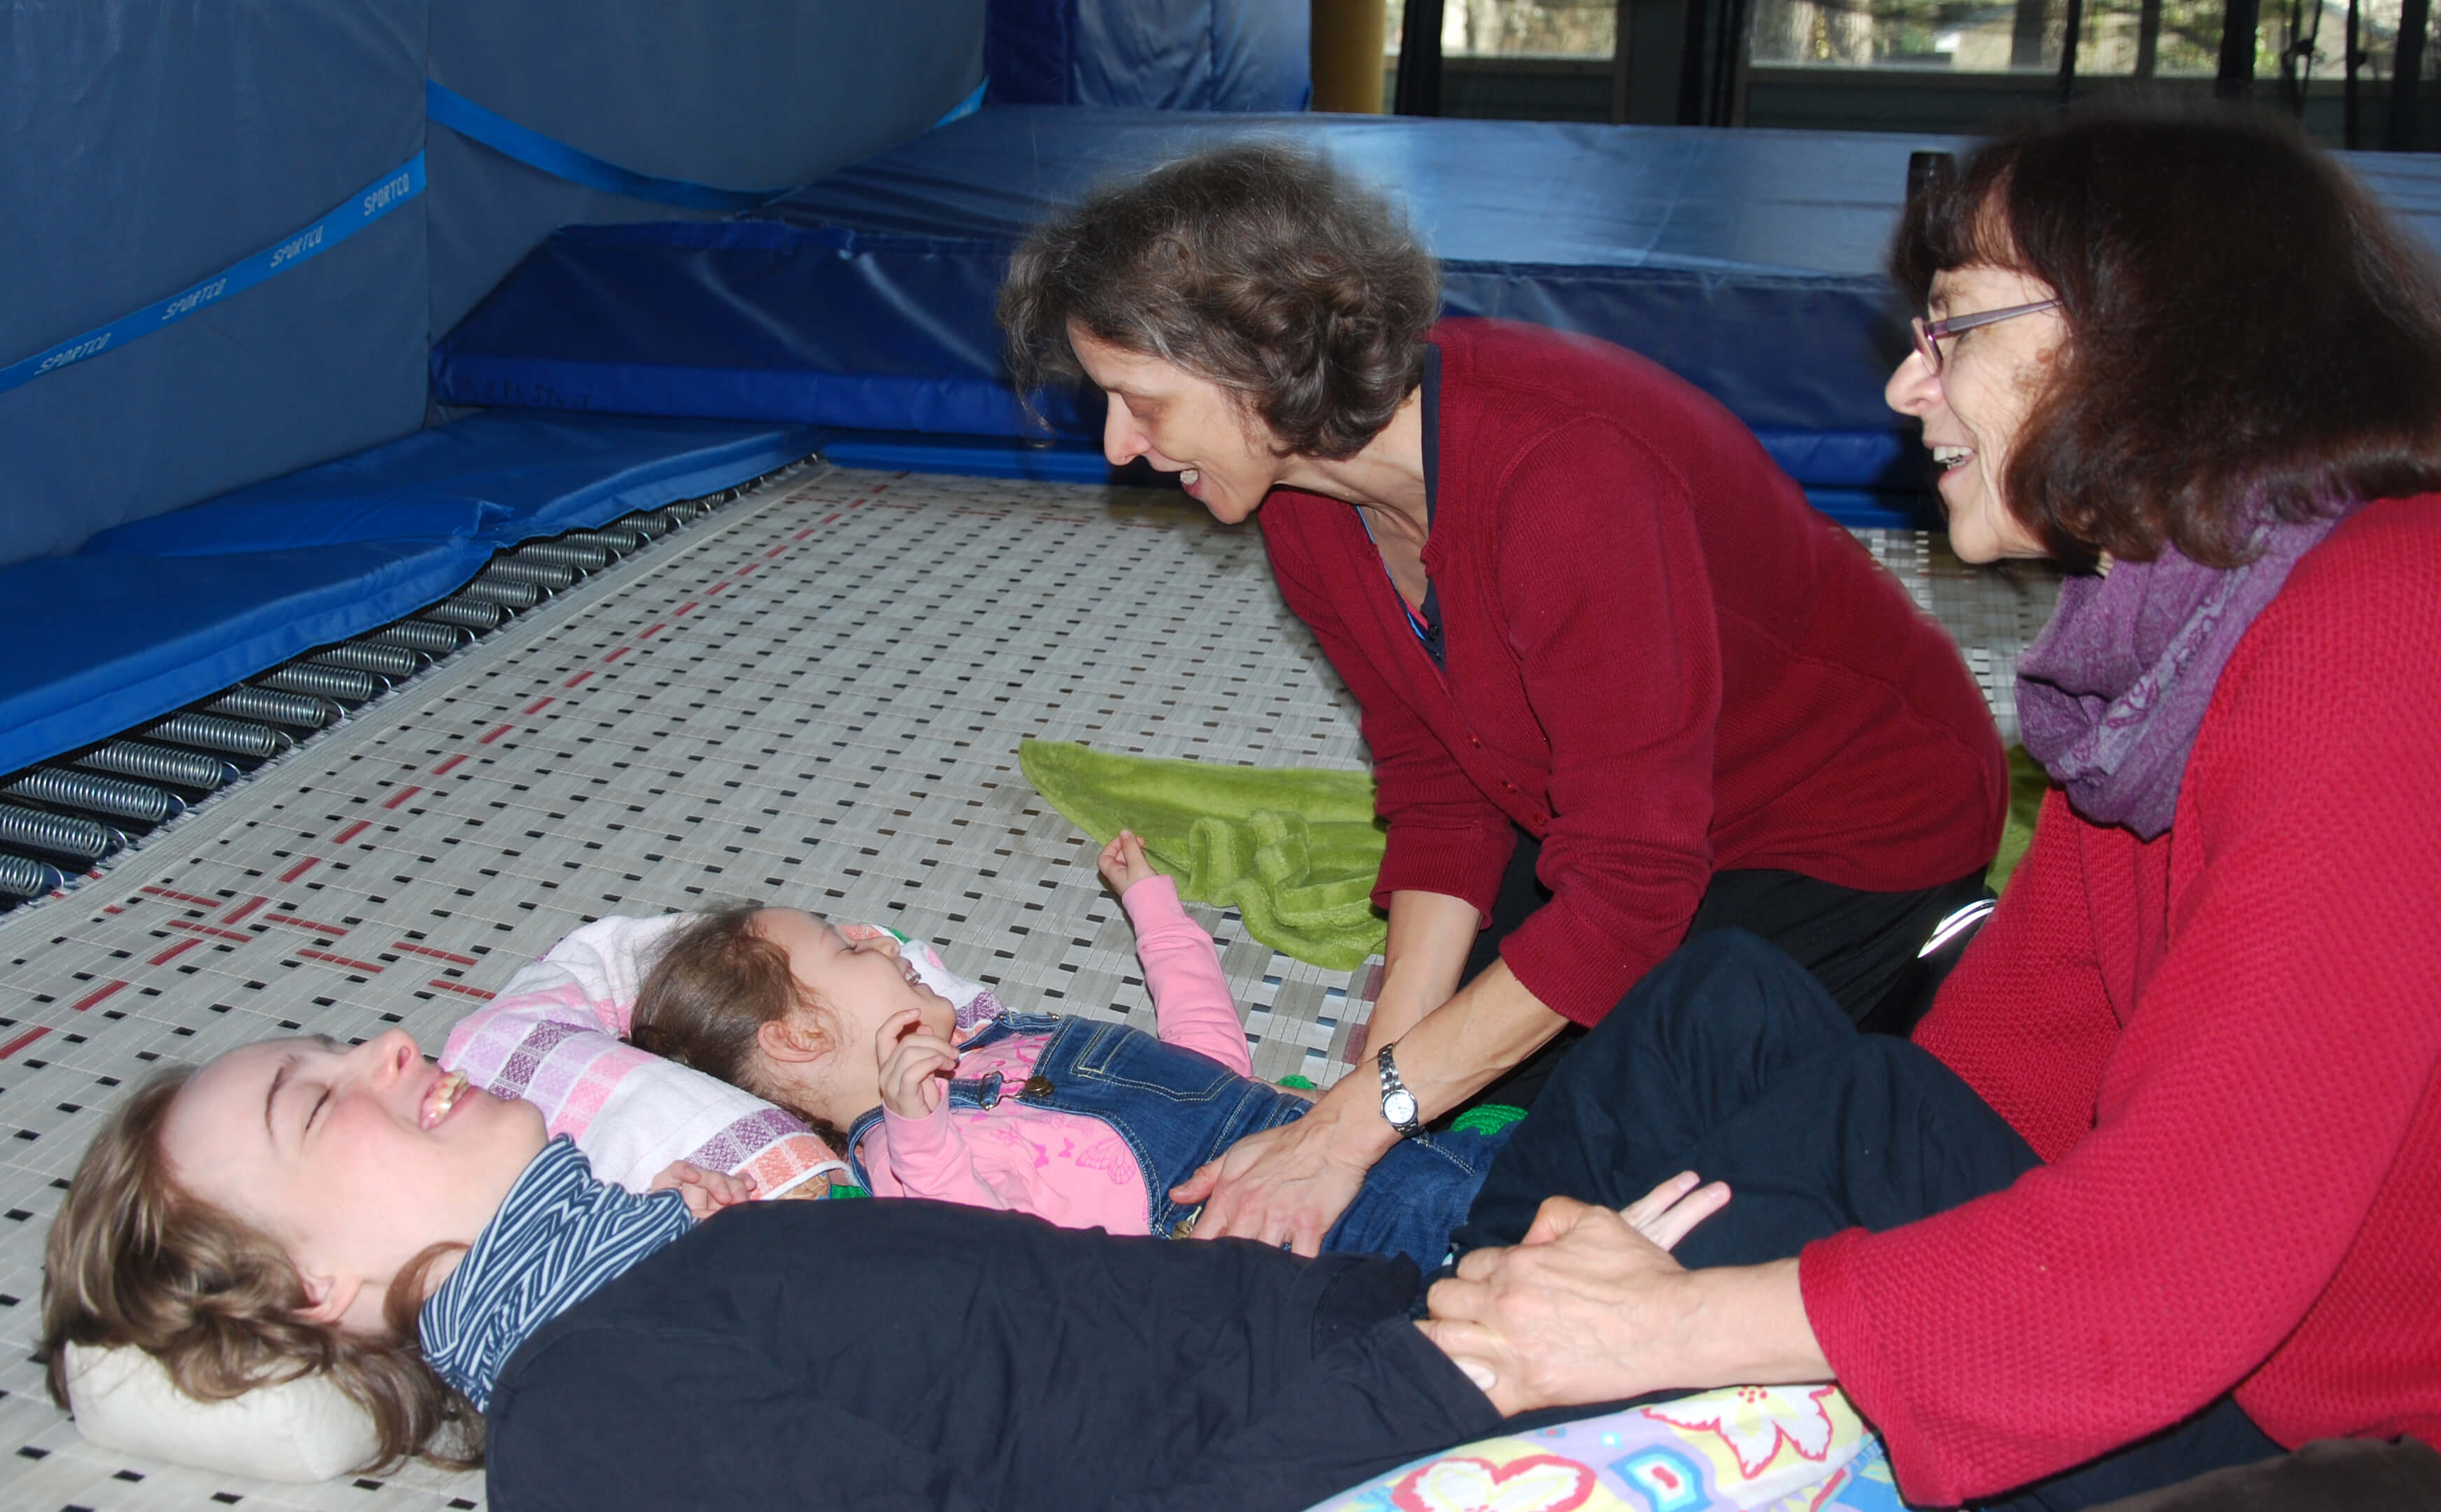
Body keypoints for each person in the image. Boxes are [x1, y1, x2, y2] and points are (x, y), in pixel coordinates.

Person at [1415, 104, 2441, 1511]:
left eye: (1951, 326)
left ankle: (1421, 1407)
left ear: (2141, 330)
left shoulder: (2386, 627)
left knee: (1803, 1170)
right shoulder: (2164, 637)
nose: (1910, 389)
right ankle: (1432, 1323)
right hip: (2192, 1320)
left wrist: (1673, 1322)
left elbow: (2172, 1267)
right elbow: (2002, 1069)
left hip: (2316, 1425)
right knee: (1729, 1008)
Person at [999, 141, 2008, 1255]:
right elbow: (1439, 782)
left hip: (1843, 822)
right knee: (1457, 1073)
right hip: (1628, 805)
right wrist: (1378, 1084)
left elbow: (1626, 895)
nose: (1118, 446)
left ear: (1261, 361)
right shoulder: (1301, 499)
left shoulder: (1566, 477)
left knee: (1591, 1143)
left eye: (1138, 402)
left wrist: (1350, 1129)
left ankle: (1933, 954)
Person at [38, 1026, 1722, 1508]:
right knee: (1853, 1137)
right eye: (308, 1100)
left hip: (1411, 1312)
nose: (388, 1044)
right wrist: (1466, 1372)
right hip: (1424, 1412)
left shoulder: (700, 1264)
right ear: (314, 1286)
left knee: (1722, 1010)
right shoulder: (593, 1415)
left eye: (337, 1040)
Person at [624, 831, 1509, 1266]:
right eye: (850, 951)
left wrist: (1157, 913)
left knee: (1574, 1152)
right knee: (1525, 1239)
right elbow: (984, 1256)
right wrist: (916, 1125)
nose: (884, 941)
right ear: (802, 1038)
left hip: (1335, 1137)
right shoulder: (904, 1157)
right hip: (1323, 1233)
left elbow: (1208, 1068)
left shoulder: (1004, 1045)